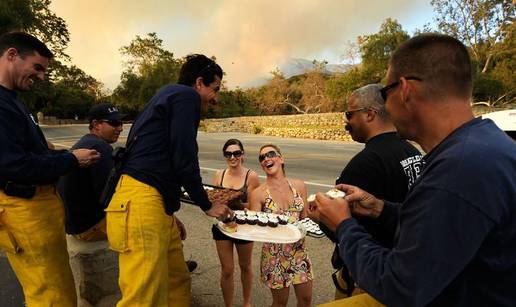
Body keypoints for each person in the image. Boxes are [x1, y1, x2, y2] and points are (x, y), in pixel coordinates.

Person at [310, 34, 516, 306]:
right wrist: (380, 209)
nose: (385, 106)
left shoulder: (456, 172)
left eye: (386, 93)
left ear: (405, 90)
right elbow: (440, 231)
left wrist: (344, 225)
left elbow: (400, 286)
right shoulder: (487, 145)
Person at [105, 54, 231, 306]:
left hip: (155, 202)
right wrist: (207, 205)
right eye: (215, 89)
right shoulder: (186, 97)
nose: (216, 97)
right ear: (198, 83)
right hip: (141, 200)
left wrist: (171, 210)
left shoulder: (168, 96)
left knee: (177, 279)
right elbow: (184, 156)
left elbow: (165, 158)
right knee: (142, 294)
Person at [0, 32, 100, 306]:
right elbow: (14, 166)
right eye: (37, 67)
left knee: (58, 287)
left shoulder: (14, 101)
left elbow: (21, 151)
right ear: (11, 55)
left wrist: (50, 152)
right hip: (24, 210)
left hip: (39, 211)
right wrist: (72, 160)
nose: (41, 76)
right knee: (50, 296)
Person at [329, 84, 423, 298]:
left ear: (369, 114)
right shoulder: (411, 150)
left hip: (369, 279)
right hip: (403, 271)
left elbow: (340, 226)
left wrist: (318, 214)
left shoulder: (365, 164)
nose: (347, 122)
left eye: (349, 114)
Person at [249, 144, 313, 307]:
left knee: (306, 300)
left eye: (271, 154)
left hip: (299, 252)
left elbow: (305, 217)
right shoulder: (258, 194)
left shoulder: (299, 185)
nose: (266, 159)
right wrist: (269, 221)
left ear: (281, 159)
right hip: (274, 257)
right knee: (280, 303)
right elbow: (253, 229)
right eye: (262, 158)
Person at [59, 103, 124, 241]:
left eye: (121, 123)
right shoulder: (100, 148)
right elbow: (111, 195)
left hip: (75, 225)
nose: (120, 128)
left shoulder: (85, 142)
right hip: (91, 226)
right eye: (114, 123)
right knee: (153, 224)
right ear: (96, 124)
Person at [212, 138, 260, 307]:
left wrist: (239, 204)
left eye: (236, 153)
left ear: (242, 155)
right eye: (228, 154)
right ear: (224, 156)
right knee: (227, 270)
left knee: (245, 266)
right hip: (223, 225)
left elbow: (255, 206)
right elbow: (214, 200)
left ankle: (247, 303)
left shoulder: (251, 176)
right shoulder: (219, 175)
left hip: (243, 227)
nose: (232, 157)